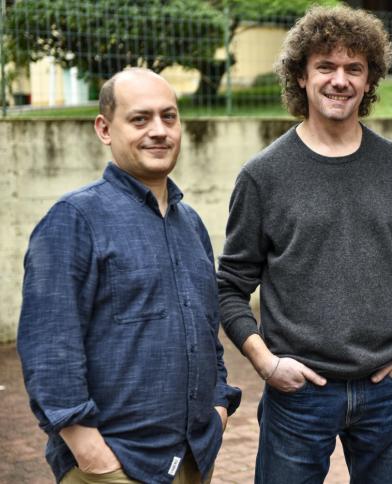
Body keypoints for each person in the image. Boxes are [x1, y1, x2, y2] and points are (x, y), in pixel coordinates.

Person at [216, 5, 392, 484]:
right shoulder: (263, 176)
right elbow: (230, 286)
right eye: (326, 66)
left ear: (369, 79)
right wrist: (265, 362)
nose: (340, 80)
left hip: (388, 390)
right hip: (298, 394)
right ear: (301, 76)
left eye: (353, 68)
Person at [17, 68, 241, 484]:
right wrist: (90, 451)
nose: (159, 131)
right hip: (115, 465)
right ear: (104, 129)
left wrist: (218, 407)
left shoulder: (190, 224)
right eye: (140, 119)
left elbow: (207, 331)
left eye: (169, 117)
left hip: (194, 457)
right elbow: (50, 346)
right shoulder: (74, 219)